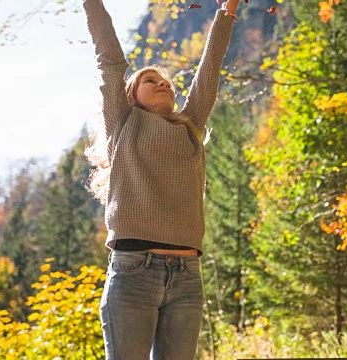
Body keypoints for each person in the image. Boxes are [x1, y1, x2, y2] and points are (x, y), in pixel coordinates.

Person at [82, 0, 239, 358]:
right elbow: (109, 60)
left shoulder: (191, 127)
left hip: (187, 276)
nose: (162, 84)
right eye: (149, 81)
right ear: (130, 97)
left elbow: (209, 72)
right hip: (134, 273)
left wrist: (227, 11)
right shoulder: (123, 124)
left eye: (166, 81)